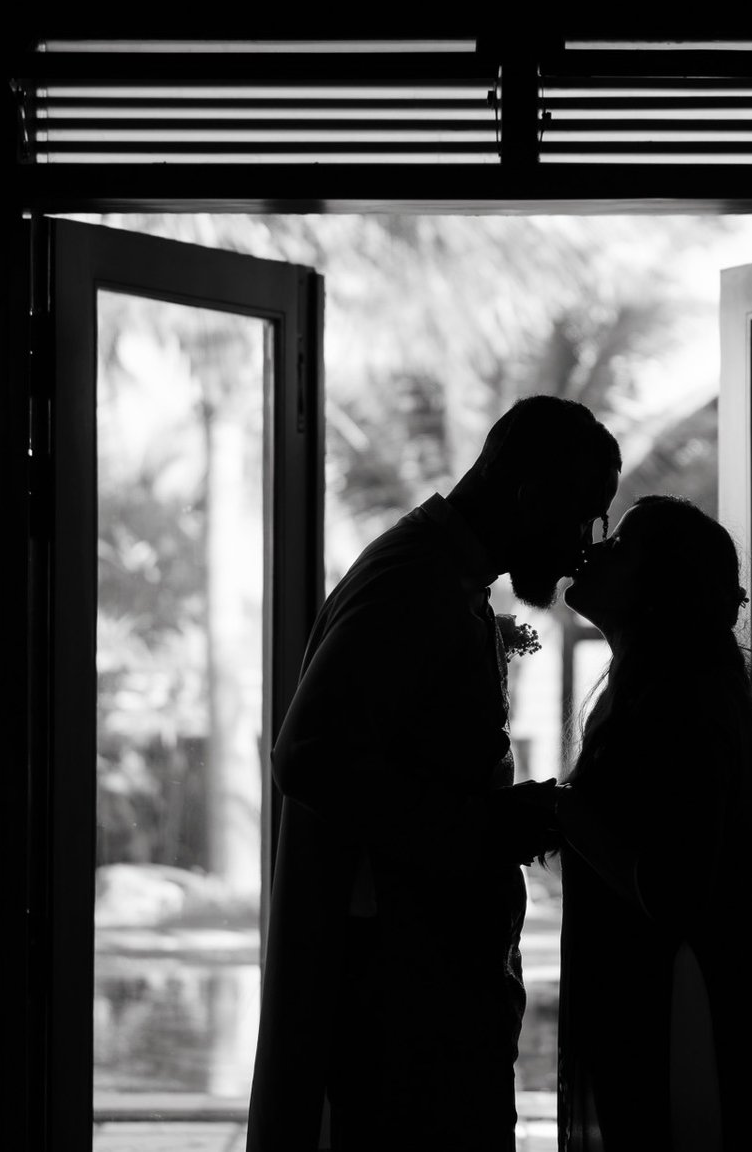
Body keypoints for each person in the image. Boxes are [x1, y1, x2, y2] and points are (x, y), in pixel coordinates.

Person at [246, 396, 621, 1152]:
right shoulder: (413, 583)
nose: (585, 546)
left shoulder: (438, 573)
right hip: (403, 1008)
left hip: (422, 995)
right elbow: (308, 755)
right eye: (582, 518)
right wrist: (486, 828)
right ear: (530, 499)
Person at [546, 494, 752, 1152]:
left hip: (690, 1020)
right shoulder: (648, 692)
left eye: (623, 544)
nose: (597, 547)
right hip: (673, 1009)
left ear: (657, 589)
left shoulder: (679, 706)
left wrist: (558, 810)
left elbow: (674, 889)